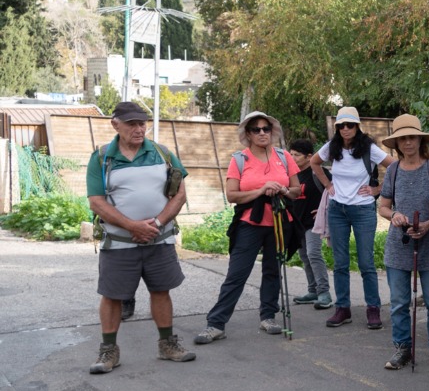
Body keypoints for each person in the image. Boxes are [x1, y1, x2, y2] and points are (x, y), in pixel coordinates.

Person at [86, 101, 194, 373]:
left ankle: (167, 344)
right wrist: (132, 226)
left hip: (159, 240)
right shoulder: (101, 158)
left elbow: (180, 194)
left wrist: (156, 223)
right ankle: (109, 350)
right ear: (115, 124)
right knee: (112, 296)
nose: (139, 128)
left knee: (161, 290)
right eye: (131, 124)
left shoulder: (162, 152)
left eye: (142, 123)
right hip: (120, 243)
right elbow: (96, 202)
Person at [194, 112, 301, 344]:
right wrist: (262, 190)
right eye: (256, 129)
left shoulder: (284, 157)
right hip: (249, 224)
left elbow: (296, 190)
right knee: (237, 274)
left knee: (273, 270)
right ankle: (216, 324)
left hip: (279, 222)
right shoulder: (239, 159)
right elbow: (232, 196)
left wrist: (282, 190)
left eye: (266, 128)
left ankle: (268, 316)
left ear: (272, 131)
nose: (262, 133)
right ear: (248, 134)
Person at [377, 115, 429, 370]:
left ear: (420, 139)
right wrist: (395, 215)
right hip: (400, 243)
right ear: (396, 143)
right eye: (402, 138)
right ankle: (402, 348)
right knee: (399, 302)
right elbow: (383, 206)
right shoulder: (394, 170)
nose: (408, 142)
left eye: (412, 137)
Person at [310, 107, 395, 330]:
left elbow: (395, 166)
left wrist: (378, 190)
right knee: (340, 263)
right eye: (341, 125)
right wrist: (328, 185)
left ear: (357, 126)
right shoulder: (332, 147)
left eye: (350, 125)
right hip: (337, 209)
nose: (345, 129)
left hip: (363, 211)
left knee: (366, 263)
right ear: (337, 128)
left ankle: (373, 309)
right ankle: (343, 309)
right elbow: (314, 162)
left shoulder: (369, 148)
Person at [287, 139, 332, 310]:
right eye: (291, 154)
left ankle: (324, 293)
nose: (292, 158)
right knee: (305, 256)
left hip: (314, 223)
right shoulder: (292, 175)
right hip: (297, 223)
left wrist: (324, 211)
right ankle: (312, 290)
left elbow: (333, 192)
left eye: (297, 155)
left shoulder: (318, 173)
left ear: (309, 157)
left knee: (314, 253)